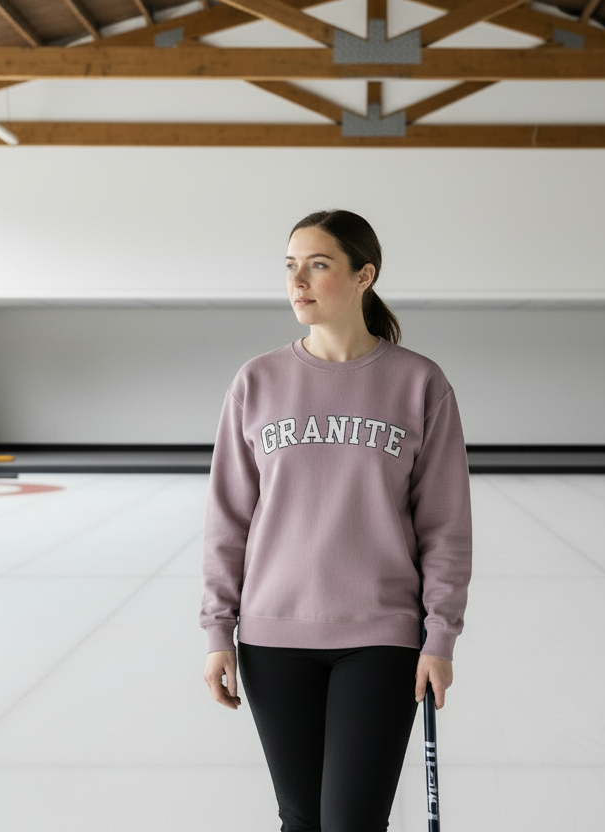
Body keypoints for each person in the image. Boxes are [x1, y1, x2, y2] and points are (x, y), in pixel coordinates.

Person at [200, 209, 472, 832]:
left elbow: (445, 526)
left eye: (318, 265)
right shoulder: (257, 381)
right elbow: (227, 519)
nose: (299, 280)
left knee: (352, 822)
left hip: (381, 640)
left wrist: (441, 638)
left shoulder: (419, 383)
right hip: (273, 639)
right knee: (300, 820)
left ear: (363, 276)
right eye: (291, 266)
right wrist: (218, 630)